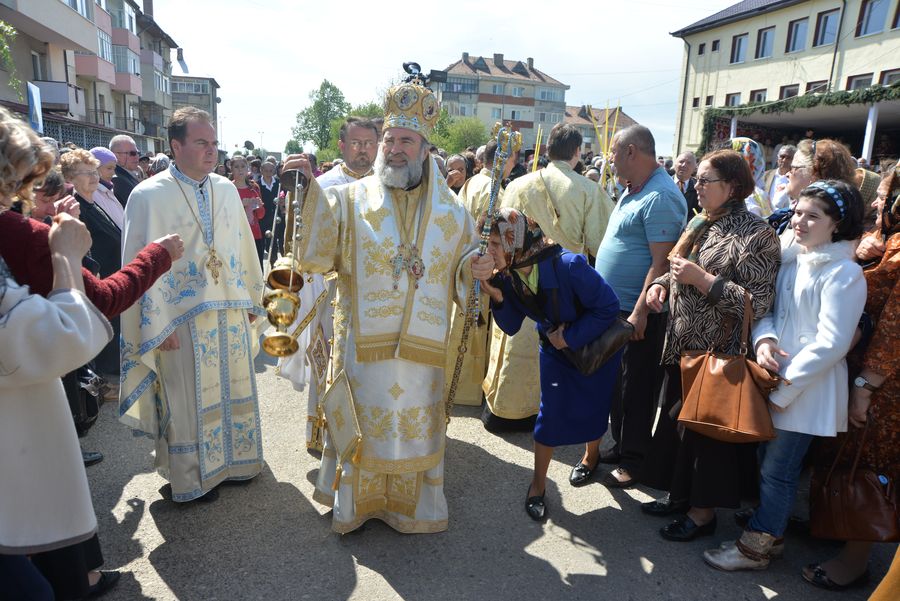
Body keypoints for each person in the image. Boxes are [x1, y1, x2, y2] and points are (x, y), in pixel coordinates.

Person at [281, 75, 479, 534]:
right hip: (363, 349)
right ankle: (358, 505)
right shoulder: (349, 200)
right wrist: (305, 194)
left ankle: (413, 508)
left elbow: (464, 263)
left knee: (414, 426)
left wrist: (478, 267)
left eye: (405, 140)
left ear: (425, 147)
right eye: (389, 139)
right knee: (367, 424)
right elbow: (314, 254)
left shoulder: (452, 212)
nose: (394, 148)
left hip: (421, 353)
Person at [704, 180, 865, 570]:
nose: (800, 222)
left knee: (778, 469)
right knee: (768, 462)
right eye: (798, 212)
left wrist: (782, 391)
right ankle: (769, 531)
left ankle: (755, 549)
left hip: (806, 392)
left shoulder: (844, 274)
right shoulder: (795, 259)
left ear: (836, 224)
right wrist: (764, 341)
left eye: (813, 216)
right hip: (775, 379)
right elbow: (770, 311)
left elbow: (831, 344)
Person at [119, 107, 266, 504]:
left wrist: (253, 298)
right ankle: (191, 478)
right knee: (186, 400)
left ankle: (238, 463)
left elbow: (243, 245)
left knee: (233, 385)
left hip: (229, 309)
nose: (211, 151)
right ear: (176, 145)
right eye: (202, 143)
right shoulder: (147, 195)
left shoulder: (227, 188)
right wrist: (154, 325)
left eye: (214, 143)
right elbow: (136, 261)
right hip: (177, 319)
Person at [643, 150, 780, 540]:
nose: (696, 187)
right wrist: (659, 286)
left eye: (706, 181)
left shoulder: (758, 233)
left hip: (715, 352)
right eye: (697, 180)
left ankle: (702, 514)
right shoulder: (703, 220)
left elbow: (756, 304)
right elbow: (676, 266)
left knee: (706, 437)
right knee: (678, 427)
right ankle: (679, 496)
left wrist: (702, 280)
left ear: (733, 186)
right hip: (682, 344)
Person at [474, 208, 621, 521]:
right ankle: (537, 486)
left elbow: (608, 307)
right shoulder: (510, 273)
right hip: (554, 351)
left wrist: (570, 337)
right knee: (549, 415)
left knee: (594, 409)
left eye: (495, 245)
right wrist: (496, 295)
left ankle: (590, 456)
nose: (489, 253)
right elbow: (512, 325)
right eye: (486, 244)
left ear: (516, 242)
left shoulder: (569, 265)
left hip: (593, 347)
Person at [802, 163, 900, 591]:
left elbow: (896, 328)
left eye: (888, 193)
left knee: (867, 466)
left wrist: (866, 386)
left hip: (883, 384)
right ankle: (835, 528)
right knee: (839, 455)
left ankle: (856, 559)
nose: (878, 199)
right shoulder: (886, 238)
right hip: (854, 364)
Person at [484, 123, 614, 434]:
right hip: (565, 286)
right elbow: (600, 242)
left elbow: (500, 232)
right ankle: (552, 418)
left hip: (519, 281)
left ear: (546, 150)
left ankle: (507, 412)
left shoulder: (518, 185)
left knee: (516, 348)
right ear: (577, 152)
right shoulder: (586, 189)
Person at [593, 125, 687, 488]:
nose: (610, 160)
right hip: (617, 308)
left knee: (637, 386)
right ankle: (622, 444)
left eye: (614, 153)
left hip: (638, 311)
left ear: (632, 152)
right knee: (619, 384)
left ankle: (634, 459)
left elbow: (661, 263)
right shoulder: (634, 189)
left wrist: (640, 312)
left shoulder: (660, 195)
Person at [450, 139, 516, 411]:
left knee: (462, 324)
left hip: (463, 262)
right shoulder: (497, 191)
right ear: (504, 159)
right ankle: (471, 388)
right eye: (513, 159)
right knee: (479, 329)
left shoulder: (471, 182)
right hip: (484, 265)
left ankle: (457, 385)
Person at [61, 149, 124, 389]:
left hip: (111, 279)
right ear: (69, 178)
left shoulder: (93, 203)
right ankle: (100, 382)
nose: (93, 176)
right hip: (94, 282)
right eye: (85, 173)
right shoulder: (74, 207)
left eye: (94, 171)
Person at [230, 154, 266, 266]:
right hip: (235, 235)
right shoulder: (228, 188)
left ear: (247, 169)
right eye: (236, 167)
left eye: (243, 166)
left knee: (255, 266)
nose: (240, 170)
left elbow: (260, 216)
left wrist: (259, 206)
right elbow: (225, 214)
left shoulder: (254, 187)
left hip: (254, 234)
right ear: (231, 169)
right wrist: (242, 205)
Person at [90, 147, 126, 230]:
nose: (113, 173)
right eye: (109, 168)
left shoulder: (108, 189)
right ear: (94, 168)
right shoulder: (91, 193)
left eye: (114, 168)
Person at [109, 134, 141, 207]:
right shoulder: (117, 179)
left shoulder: (125, 174)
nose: (136, 156)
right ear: (116, 156)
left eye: (137, 153)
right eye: (132, 153)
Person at [763, 145, 795, 211]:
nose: (784, 160)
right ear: (778, 158)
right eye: (782, 156)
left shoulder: (796, 179)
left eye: (788, 158)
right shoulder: (766, 175)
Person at [673, 151, 699, 216]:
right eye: (681, 161)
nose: (684, 165)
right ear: (675, 164)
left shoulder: (698, 187)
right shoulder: (664, 184)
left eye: (688, 163)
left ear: (695, 168)